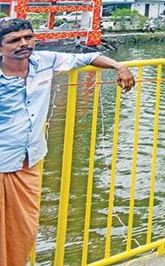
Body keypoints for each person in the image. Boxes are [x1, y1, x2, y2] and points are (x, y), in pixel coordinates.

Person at [0, 18, 136, 266]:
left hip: (28, 160)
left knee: (23, 229)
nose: (24, 44)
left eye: (28, 38)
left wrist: (119, 66)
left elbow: (86, 58)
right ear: (1, 47)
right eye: (14, 41)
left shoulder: (44, 62)